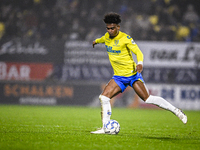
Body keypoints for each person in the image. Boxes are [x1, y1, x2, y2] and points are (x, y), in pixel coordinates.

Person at [91, 12, 187, 134]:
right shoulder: (106, 37)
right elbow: (102, 39)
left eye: (112, 28)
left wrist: (140, 63)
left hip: (132, 76)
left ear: (118, 27)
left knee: (147, 99)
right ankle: (105, 127)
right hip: (119, 77)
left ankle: (176, 111)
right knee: (104, 97)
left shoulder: (125, 38)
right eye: (108, 28)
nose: (110, 30)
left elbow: (138, 52)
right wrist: (96, 41)